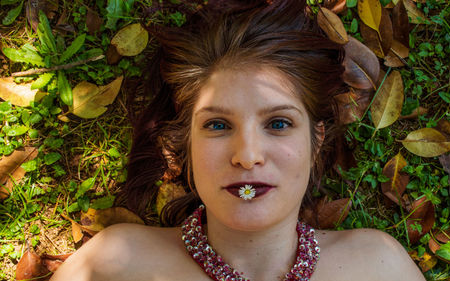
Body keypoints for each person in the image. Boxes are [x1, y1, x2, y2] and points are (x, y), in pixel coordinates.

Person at [50, 0, 426, 280]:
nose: (247, 157)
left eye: (278, 123)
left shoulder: (379, 265)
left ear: (316, 142)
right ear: (186, 146)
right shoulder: (113, 266)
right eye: (216, 125)